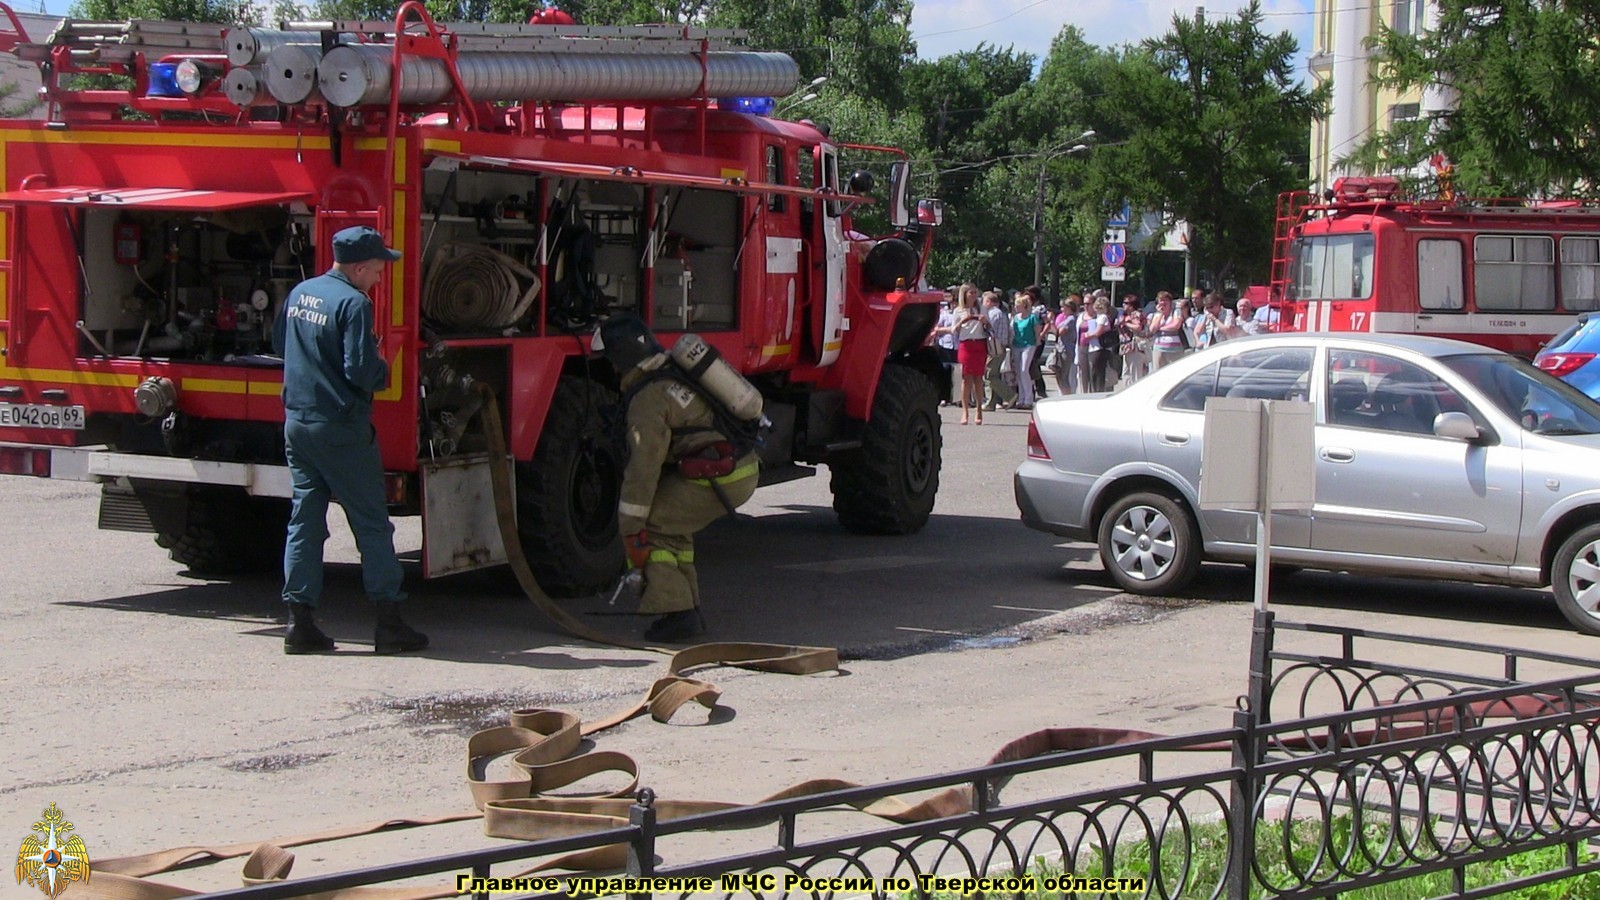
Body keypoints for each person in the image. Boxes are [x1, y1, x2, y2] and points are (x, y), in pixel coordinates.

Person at [275, 225, 427, 656]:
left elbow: (279, 345)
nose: (379, 278)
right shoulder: (354, 304)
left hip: (298, 424)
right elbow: (361, 370)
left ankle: (300, 624)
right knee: (371, 524)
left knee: (305, 521)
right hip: (341, 428)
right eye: (377, 270)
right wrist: (387, 365)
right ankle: (389, 623)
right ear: (359, 267)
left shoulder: (301, 292)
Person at [593, 314, 759, 642]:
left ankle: (679, 615)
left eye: (610, 362)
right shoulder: (672, 371)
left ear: (621, 360)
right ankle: (687, 607)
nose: (610, 370)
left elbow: (644, 466)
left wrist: (630, 521)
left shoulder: (646, 400)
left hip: (719, 476)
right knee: (674, 528)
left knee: (652, 525)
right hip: (740, 466)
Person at [953, 288, 990, 424]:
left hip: (979, 344)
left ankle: (979, 410)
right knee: (965, 378)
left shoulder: (981, 308)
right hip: (965, 345)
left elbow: (990, 326)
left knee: (978, 378)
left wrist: (984, 321)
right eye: (971, 293)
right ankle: (965, 411)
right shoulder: (958, 310)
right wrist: (963, 321)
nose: (974, 295)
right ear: (965, 294)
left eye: (975, 293)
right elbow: (954, 330)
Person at [982, 290, 1016, 411]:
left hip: (994, 346)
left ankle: (1009, 395)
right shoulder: (1002, 313)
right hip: (1000, 346)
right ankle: (991, 402)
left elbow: (989, 330)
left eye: (984, 301)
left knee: (989, 374)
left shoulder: (992, 313)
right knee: (994, 374)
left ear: (990, 302)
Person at [1010, 292, 1040, 409]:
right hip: (1016, 345)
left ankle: (1028, 399)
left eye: (1018, 305)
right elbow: (1012, 331)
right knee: (1018, 371)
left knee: (1024, 370)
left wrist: (1037, 343)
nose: (1015, 307)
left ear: (1024, 306)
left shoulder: (1032, 317)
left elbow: (1037, 331)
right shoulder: (1016, 318)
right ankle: (1021, 399)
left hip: (1029, 345)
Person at [1149, 291, 1187, 370]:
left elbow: (1176, 325)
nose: (1163, 303)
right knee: (1157, 373)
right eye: (1161, 300)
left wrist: (1160, 328)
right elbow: (1152, 329)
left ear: (1170, 302)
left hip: (1174, 349)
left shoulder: (1176, 312)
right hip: (1158, 348)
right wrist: (1160, 314)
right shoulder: (1157, 314)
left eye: (1165, 300)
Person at [1084, 295, 1115, 392]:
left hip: (1099, 349)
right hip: (1094, 348)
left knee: (1097, 374)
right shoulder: (1098, 317)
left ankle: (1098, 392)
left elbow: (1098, 332)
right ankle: (1096, 391)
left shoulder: (1103, 317)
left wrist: (1088, 335)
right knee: (1094, 373)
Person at [1117, 294, 1148, 386]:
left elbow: (1138, 327)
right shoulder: (1126, 315)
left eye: (1126, 303)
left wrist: (1126, 323)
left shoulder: (1136, 314)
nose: (1123, 305)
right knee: (1126, 373)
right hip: (1127, 347)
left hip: (1135, 347)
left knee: (1135, 374)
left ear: (1132, 305)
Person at [1053, 298, 1080, 395]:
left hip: (1066, 350)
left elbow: (1060, 332)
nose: (1062, 309)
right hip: (1062, 348)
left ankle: (1066, 396)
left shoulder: (1071, 319)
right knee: (1060, 374)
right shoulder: (1068, 318)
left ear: (1069, 307)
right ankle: (1065, 394)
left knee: (1063, 375)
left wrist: (1052, 324)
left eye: (1063, 307)